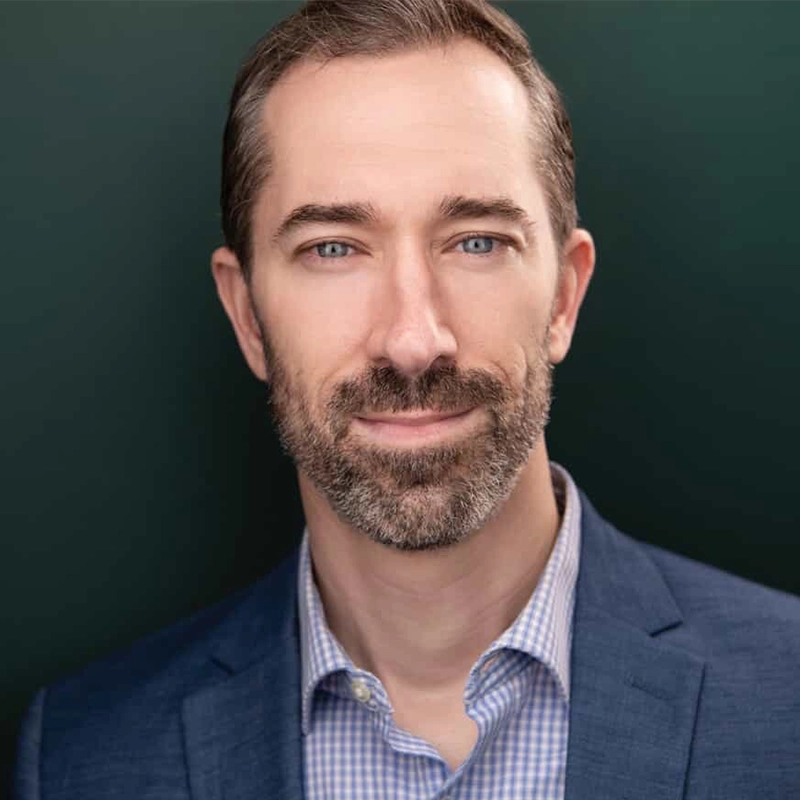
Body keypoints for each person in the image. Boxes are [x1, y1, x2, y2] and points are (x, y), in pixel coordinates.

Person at [14, 0, 800, 798]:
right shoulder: (82, 758)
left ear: (563, 296)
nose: (413, 339)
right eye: (332, 248)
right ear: (248, 317)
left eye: (477, 241)